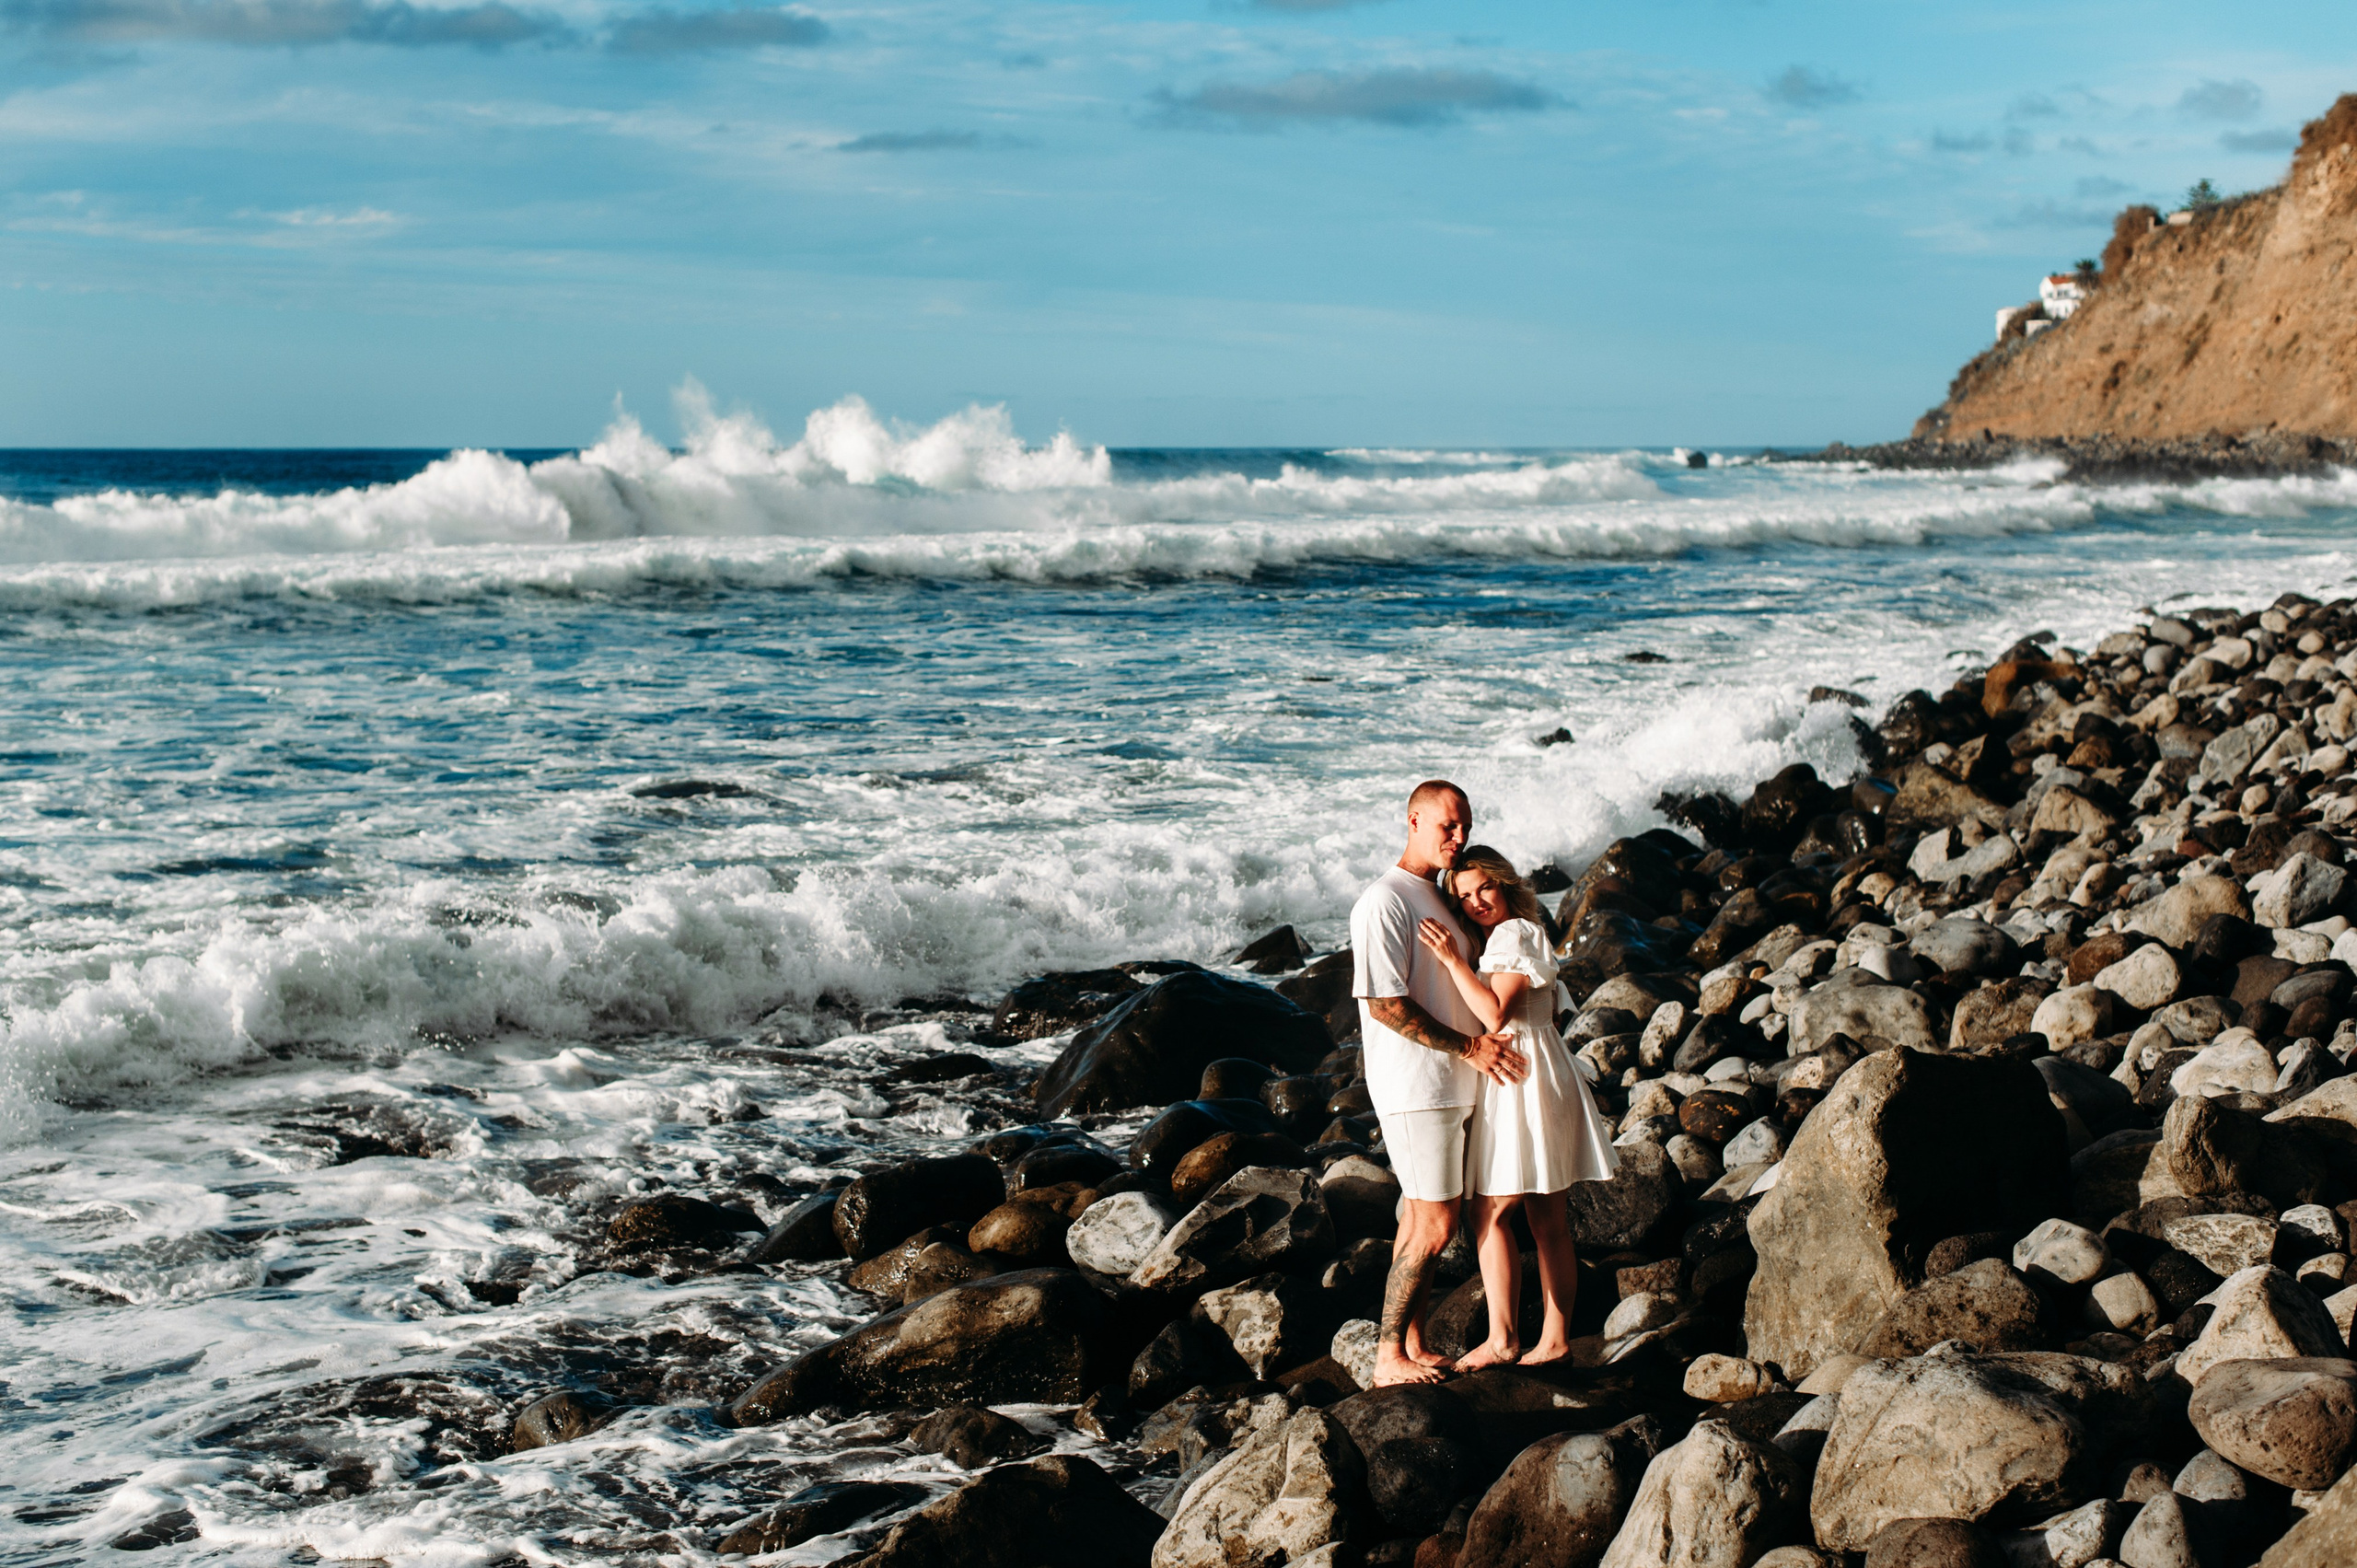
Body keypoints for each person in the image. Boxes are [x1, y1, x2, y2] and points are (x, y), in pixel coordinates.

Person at [1351, 781, 1529, 1388]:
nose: (1458, 837)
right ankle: (1385, 1357)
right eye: (1447, 826)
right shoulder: (1383, 900)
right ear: (1414, 819)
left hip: (1452, 1083)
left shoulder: (1437, 894)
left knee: (1418, 1217)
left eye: (1465, 827)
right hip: (1415, 1086)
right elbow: (1382, 1004)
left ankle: (1414, 1341)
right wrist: (1469, 1046)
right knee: (1436, 1225)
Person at [1416, 844, 1617, 1367]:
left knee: (1490, 1212)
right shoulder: (1516, 934)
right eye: (1464, 896)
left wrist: (1451, 961)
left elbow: (1495, 1014)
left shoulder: (1512, 934)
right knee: (1546, 1218)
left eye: (1485, 887)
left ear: (1504, 883)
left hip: (1523, 1070)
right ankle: (1553, 1339)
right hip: (1536, 1065)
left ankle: (1507, 1338)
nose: (1478, 901)